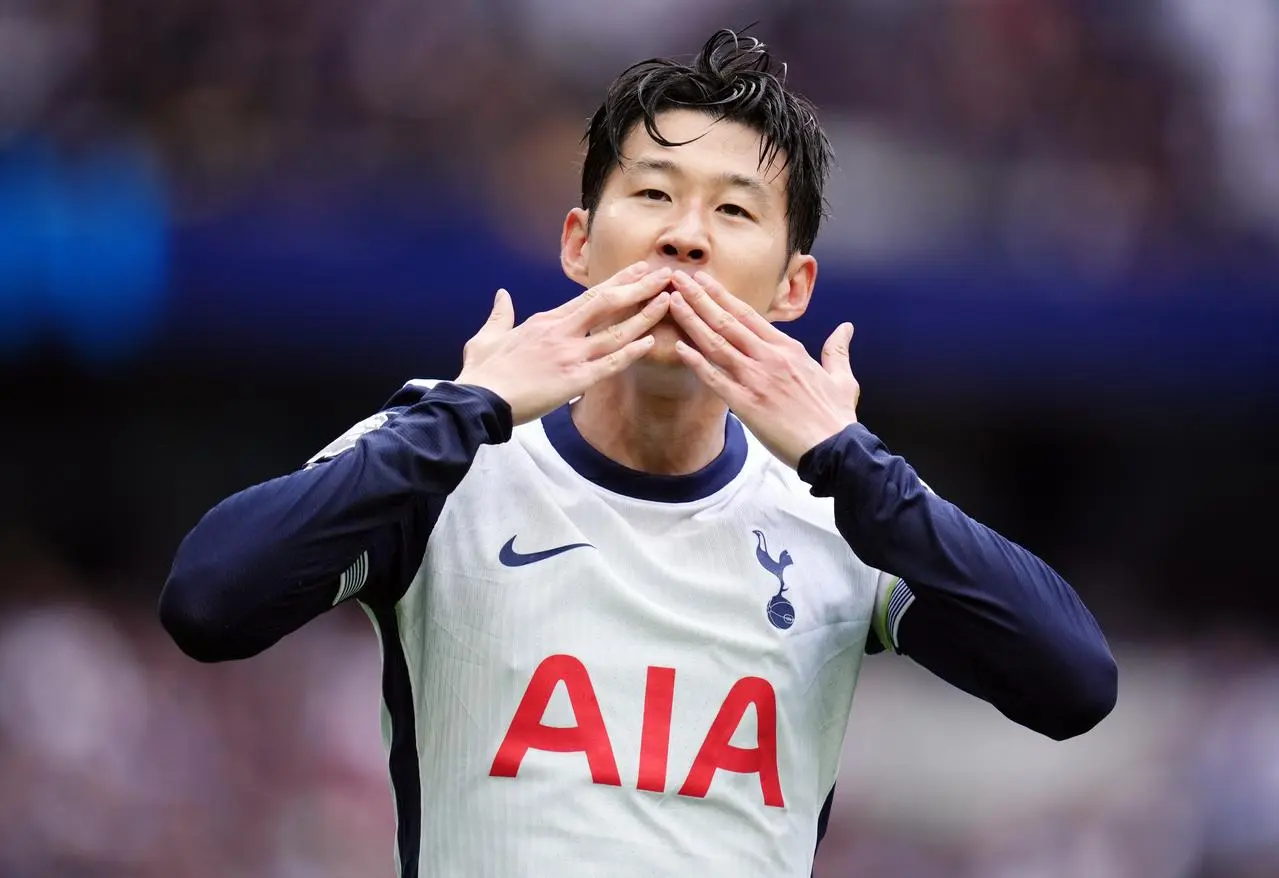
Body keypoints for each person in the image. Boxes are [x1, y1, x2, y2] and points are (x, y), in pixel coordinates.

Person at [159, 29, 1117, 878]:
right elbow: (208, 602)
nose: (683, 238)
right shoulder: (444, 455)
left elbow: (1072, 684)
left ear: (794, 286)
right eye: (652, 193)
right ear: (578, 242)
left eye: (735, 212)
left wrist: (847, 459)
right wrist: (470, 407)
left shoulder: (840, 504)